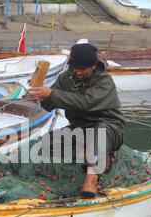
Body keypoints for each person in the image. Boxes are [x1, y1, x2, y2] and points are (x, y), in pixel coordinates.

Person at [28, 43, 126, 198]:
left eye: (83, 69)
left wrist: (51, 93)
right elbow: (50, 104)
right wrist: (40, 96)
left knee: (100, 132)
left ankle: (91, 179)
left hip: (109, 128)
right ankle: (95, 154)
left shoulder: (104, 81)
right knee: (46, 145)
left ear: (93, 66)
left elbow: (86, 102)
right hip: (79, 130)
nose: (79, 72)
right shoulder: (65, 78)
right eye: (76, 68)